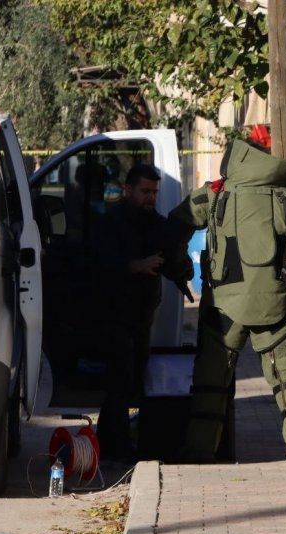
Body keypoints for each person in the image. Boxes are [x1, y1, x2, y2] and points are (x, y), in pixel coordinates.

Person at [169, 131, 286, 463]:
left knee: (211, 380)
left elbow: (175, 225)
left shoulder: (214, 193)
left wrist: (178, 271)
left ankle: (199, 452)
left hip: (222, 306)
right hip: (273, 305)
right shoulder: (285, 199)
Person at [92, 163, 191, 464]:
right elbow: (103, 261)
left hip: (142, 315)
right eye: (145, 191)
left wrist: (182, 269)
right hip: (113, 313)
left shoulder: (157, 225)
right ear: (128, 190)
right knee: (121, 379)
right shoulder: (111, 223)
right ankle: (119, 447)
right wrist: (136, 265)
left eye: (154, 193)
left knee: (133, 380)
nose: (150, 198)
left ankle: (106, 441)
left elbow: (173, 261)